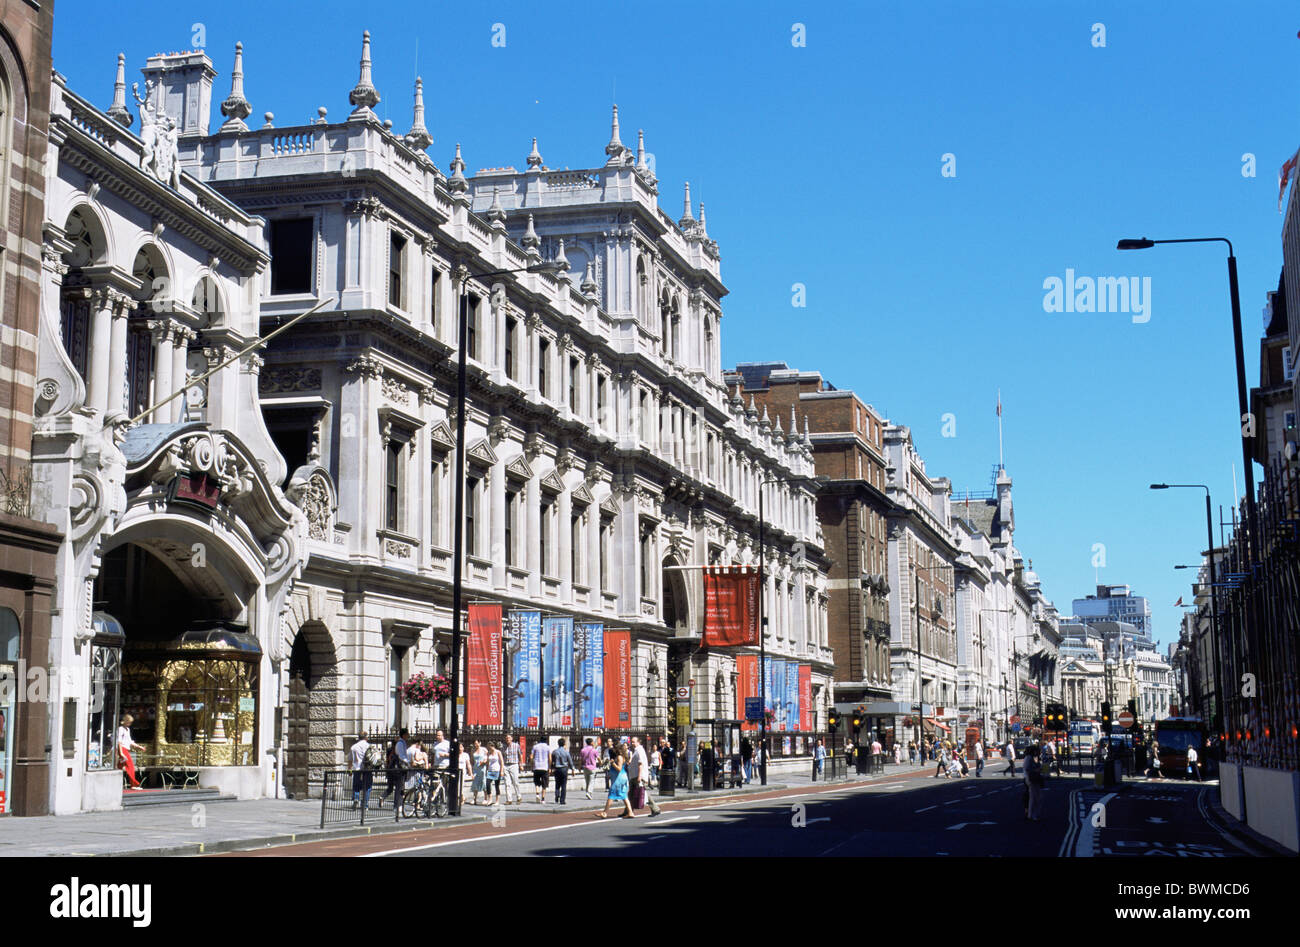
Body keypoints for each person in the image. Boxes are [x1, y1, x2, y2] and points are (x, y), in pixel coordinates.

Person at [595, 744, 635, 819]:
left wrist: (613, 763)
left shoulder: (619, 757)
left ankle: (605, 813)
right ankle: (630, 812)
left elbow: (619, 769)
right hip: (621, 777)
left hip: (619, 778)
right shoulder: (621, 757)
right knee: (624, 795)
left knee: (612, 794)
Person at [117, 714, 145, 789]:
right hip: (122, 749)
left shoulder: (127, 729)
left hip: (125, 749)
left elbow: (129, 741)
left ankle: (115, 782)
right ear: (125, 721)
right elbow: (119, 741)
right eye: (129, 722)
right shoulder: (121, 729)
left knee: (119, 767)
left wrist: (139, 746)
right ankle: (134, 784)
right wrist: (121, 752)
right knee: (130, 766)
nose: (130, 724)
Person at [348, 731, 373, 809]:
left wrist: (350, 769)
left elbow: (350, 760)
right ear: (366, 737)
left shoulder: (353, 747)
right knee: (368, 786)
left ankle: (356, 798)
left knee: (356, 786)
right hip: (367, 769)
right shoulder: (369, 746)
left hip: (357, 769)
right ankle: (365, 805)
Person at [1023, 746, 1044, 821]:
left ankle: (1033, 814)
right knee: (1034, 797)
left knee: (1036, 797)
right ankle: (1032, 815)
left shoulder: (1034, 758)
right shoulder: (1029, 758)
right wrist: (1037, 769)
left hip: (1035, 779)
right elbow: (1027, 768)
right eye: (1037, 751)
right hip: (1031, 779)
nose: (1038, 752)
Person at [503, 734, 523, 805]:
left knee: (515, 782)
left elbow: (520, 754)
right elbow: (502, 756)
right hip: (506, 765)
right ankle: (509, 799)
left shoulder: (516, 745)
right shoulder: (503, 746)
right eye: (506, 738)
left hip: (514, 764)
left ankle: (519, 797)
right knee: (507, 783)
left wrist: (521, 764)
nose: (507, 739)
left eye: (509, 738)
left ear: (512, 738)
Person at [532, 737, 553, 803]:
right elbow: (550, 758)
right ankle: (543, 799)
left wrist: (532, 765)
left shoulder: (535, 747)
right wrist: (549, 767)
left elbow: (531, 757)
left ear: (539, 740)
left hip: (537, 767)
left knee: (537, 782)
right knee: (544, 784)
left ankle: (537, 794)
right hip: (545, 767)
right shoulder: (548, 747)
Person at [552, 737, 572, 805]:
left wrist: (551, 768)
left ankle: (557, 796)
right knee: (563, 785)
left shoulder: (554, 752)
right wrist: (572, 769)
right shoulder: (566, 752)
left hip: (557, 769)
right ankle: (562, 800)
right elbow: (570, 761)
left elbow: (552, 761)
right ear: (564, 744)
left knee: (557, 784)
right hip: (564, 769)